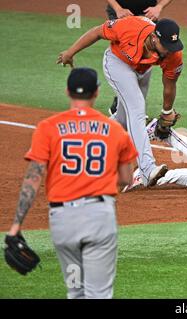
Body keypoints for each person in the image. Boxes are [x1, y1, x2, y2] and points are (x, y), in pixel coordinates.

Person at [5, 67, 139, 299]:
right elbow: (127, 178)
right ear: (96, 93)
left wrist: (16, 225)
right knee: (99, 294)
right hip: (99, 217)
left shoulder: (48, 128)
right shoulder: (115, 130)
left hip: (63, 222)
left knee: (76, 290)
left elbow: (33, 179)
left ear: (68, 91)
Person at [57, 17, 184, 192]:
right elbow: (96, 32)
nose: (170, 51)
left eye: (173, 47)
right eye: (166, 46)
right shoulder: (129, 27)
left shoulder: (173, 55)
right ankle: (147, 169)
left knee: (125, 121)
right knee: (137, 110)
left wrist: (166, 111)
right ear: (154, 37)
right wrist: (70, 52)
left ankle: (87, 141)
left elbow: (170, 85)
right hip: (117, 63)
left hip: (142, 70)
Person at [105, 0, 175, 115]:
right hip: (121, 13)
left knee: (147, 56)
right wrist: (117, 8)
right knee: (124, 58)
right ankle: (126, 104)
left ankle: (130, 106)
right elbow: (97, 33)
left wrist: (159, 7)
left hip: (148, 14)